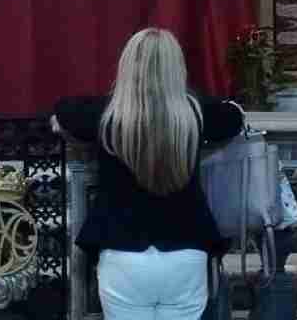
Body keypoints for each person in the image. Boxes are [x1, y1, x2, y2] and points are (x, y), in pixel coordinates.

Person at [52, 28, 243, 320]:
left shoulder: (106, 115)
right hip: (186, 250)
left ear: (127, 66)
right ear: (176, 68)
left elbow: (64, 112)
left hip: (122, 253)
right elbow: (234, 116)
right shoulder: (196, 113)